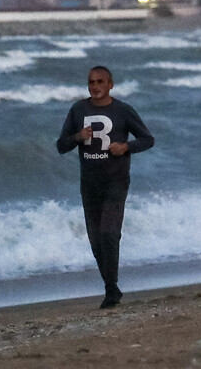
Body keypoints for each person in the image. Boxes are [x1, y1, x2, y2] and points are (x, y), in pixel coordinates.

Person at [56, 65, 154, 308]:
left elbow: (147, 139)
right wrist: (77, 137)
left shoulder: (122, 110)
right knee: (95, 240)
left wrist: (126, 147)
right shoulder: (78, 109)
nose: (96, 86)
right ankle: (111, 286)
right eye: (91, 82)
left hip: (116, 181)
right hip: (89, 184)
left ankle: (111, 290)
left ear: (111, 84)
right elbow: (61, 145)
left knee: (109, 233)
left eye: (101, 82)